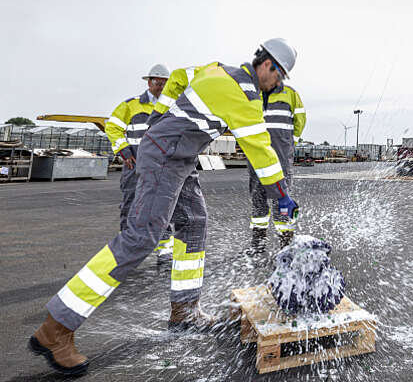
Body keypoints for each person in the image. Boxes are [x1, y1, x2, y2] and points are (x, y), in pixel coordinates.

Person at [28, 38, 299, 376]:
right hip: (167, 157)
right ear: (269, 66)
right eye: (280, 77)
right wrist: (283, 196)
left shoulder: (217, 68)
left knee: (194, 223)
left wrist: (160, 114)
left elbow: (181, 76)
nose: (278, 85)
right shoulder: (244, 97)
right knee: (140, 237)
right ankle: (56, 329)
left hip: (177, 156)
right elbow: (261, 149)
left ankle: (184, 311)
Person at [104, 64, 174, 257]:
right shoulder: (131, 105)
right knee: (130, 204)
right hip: (134, 164)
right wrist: (123, 149)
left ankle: (164, 251)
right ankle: (125, 250)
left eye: (164, 83)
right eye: (157, 82)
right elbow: (112, 127)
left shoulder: (172, 106)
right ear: (149, 82)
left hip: (162, 166)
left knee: (163, 206)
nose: (160, 86)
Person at [247, 69, 306, 254]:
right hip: (257, 156)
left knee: (282, 199)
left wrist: (290, 143)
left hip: (281, 157)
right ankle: (258, 244)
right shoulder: (254, 94)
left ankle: (286, 245)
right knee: (258, 200)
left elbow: (300, 121)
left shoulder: (291, 94)